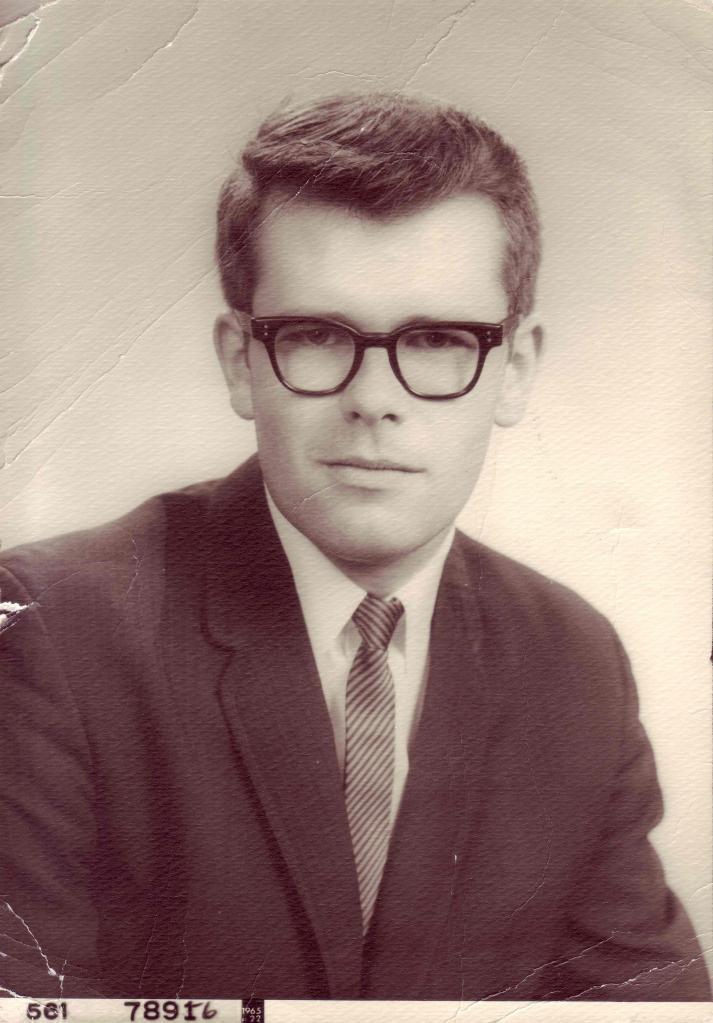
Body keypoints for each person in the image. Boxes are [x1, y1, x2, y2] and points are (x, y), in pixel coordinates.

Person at [0, 92, 709, 1002]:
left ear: (515, 370)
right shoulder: (49, 633)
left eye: (439, 339)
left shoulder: (571, 661)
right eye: (315, 335)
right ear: (240, 362)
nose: (374, 399)